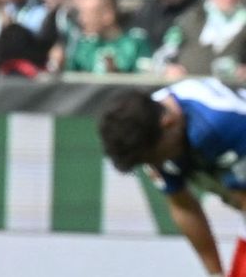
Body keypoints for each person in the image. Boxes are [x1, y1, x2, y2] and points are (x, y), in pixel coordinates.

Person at [99, 79, 246, 277]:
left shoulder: (221, 123)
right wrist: (215, 274)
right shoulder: (151, 126)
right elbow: (183, 206)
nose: (156, 164)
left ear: (168, 123)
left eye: (154, 157)